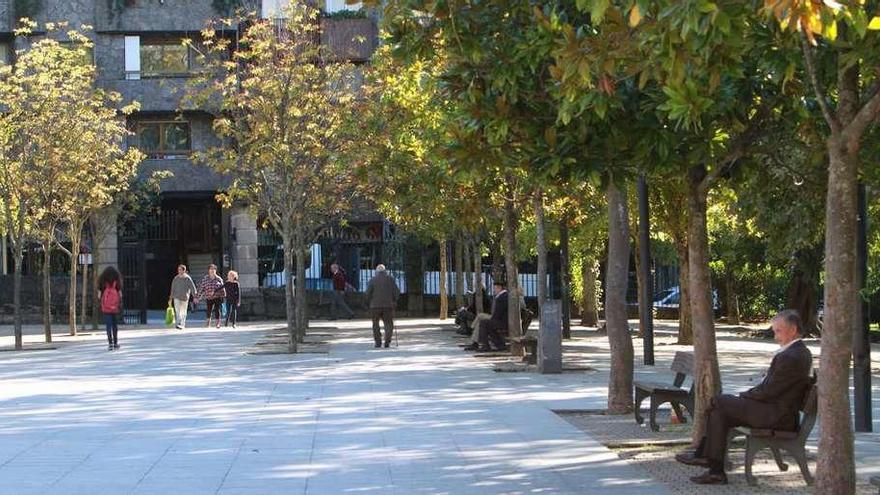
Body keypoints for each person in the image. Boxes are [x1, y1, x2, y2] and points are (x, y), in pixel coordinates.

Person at [675, 310, 813, 485]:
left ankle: (705, 456)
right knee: (719, 413)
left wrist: (744, 396)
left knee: (719, 401)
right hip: (772, 409)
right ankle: (715, 470)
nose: (775, 336)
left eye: (778, 331)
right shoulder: (794, 352)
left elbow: (769, 390)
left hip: (777, 416)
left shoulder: (793, 356)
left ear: (792, 330)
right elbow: (770, 389)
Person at [463, 281, 508, 352]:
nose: (494, 290)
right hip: (501, 320)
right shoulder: (503, 296)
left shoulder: (502, 297)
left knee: (483, 322)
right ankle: (478, 343)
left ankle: (478, 342)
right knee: (481, 318)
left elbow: (498, 314)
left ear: (499, 288)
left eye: (495, 289)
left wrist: (491, 319)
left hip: (501, 321)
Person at [365, 264, 400, 348]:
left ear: (377, 271)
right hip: (388, 305)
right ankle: (387, 341)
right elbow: (397, 292)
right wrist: (394, 301)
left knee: (375, 324)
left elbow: (367, 293)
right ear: (385, 271)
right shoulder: (391, 280)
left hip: (375, 306)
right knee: (388, 323)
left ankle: (378, 342)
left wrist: (368, 302)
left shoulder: (372, 280)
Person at [98, 266, 122, 351]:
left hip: (106, 307)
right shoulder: (116, 281)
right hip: (114, 307)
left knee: (108, 325)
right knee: (115, 325)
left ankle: (110, 343)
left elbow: (99, 294)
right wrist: (119, 303)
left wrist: (101, 303)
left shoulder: (103, 282)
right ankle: (115, 343)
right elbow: (120, 294)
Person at [168, 264, 197, 329]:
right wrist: (171, 297)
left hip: (185, 297)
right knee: (177, 311)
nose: (179, 271)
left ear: (184, 271)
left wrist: (195, 296)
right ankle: (178, 323)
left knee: (183, 311)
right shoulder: (176, 278)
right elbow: (173, 288)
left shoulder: (187, 278)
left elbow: (192, 287)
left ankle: (182, 324)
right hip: (176, 297)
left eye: (180, 270)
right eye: (178, 270)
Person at [197, 264, 226, 329]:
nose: (212, 270)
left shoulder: (219, 279)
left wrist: (224, 296)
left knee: (217, 310)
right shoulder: (205, 278)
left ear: (215, 270)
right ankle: (208, 323)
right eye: (211, 269)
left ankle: (217, 323)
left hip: (217, 297)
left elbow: (222, 288)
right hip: (208, 297)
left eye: (213, 269)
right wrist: (198, 297)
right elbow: (202, 288)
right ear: (208, 270)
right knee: (208, 310)